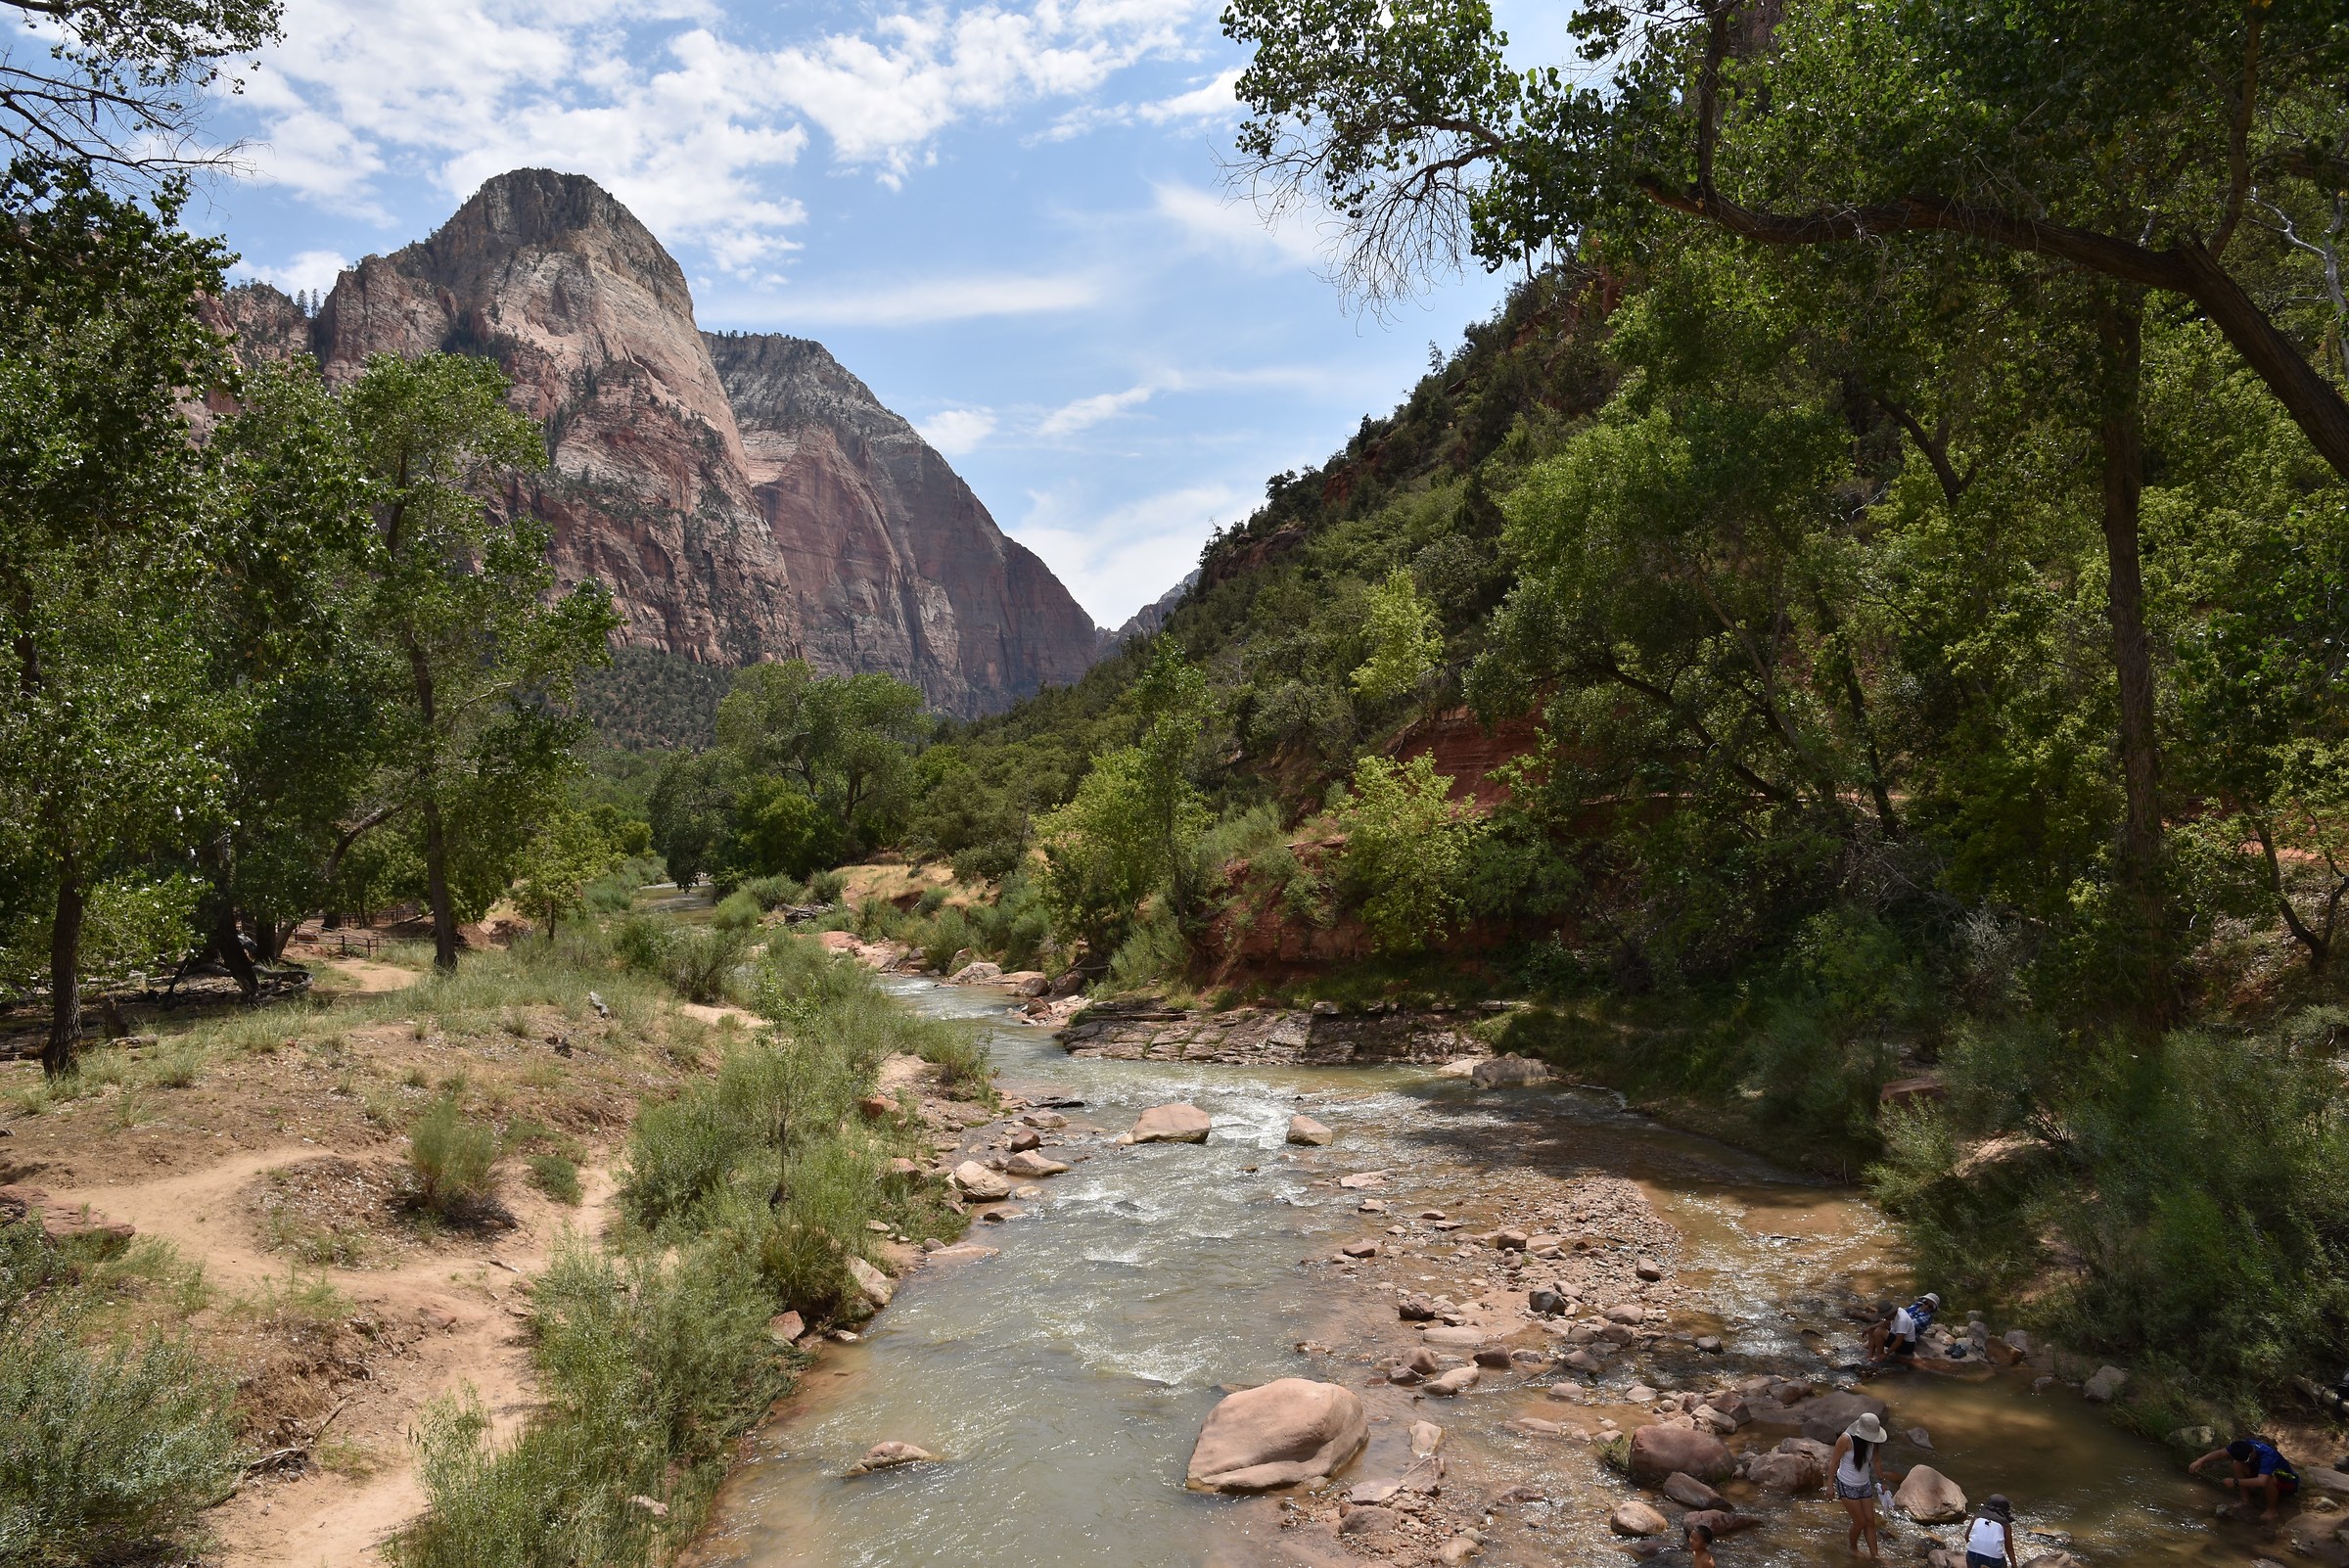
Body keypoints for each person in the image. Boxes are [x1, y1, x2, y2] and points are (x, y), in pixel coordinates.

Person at [1831, 1413, 1900, 1560]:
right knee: (1860, 1521)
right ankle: (1852, 1548)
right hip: (1847, 1484)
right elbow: (1833, 1462)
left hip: (1864, 1484)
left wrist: (1883, 1481)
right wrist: (1830, 1486)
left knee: (1870, 1521)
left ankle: (1875, 1555)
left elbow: (1876, 1461)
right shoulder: (1846, 1439)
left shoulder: (1873, 1442)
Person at [2190, 1437, 2301, 1521]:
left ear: (2252, 1452)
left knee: (2268, 1480)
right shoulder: (2244, 1444)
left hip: (2288, 1482)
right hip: (2261, 1472)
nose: (2246, 1462)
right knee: (2236, 1464)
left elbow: (2261, 1481)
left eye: (2247, 1459)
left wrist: (2235, 1482)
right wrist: (2200, 1460)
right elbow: (2221, 1453)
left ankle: (2271, 1510)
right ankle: (2245, 1500)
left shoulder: (2268, 1456)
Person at [1963, 1495, 2017, 1568]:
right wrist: (2014, 1565)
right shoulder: (2005, 1525)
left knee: (1971, 1560)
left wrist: (1974, 1547)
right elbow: (2009, 1548)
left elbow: (1966, 1536)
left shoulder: (1977, 1517)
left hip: (1973, 1554)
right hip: (1995, 1559)